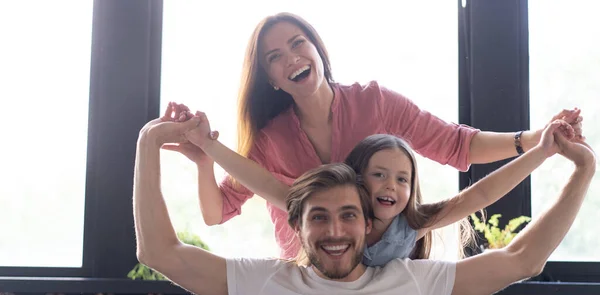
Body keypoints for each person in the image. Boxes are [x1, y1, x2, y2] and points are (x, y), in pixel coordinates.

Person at [134, 114, 595, 295]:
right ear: (296, 224)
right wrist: (149, 142)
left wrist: (582, 168)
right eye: (318, 218)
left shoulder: (411, 283)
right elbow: (160, 251)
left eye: (348, 215)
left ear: (368, 218)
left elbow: (522, 259)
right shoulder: (264, 282)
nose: (335, 231)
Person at [161, 12, 583, 259]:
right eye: (275, 57)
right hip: (310, 280)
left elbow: (459, 147)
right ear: (270, 78)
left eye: (297, 43)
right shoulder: (271, 140)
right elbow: (218, 212)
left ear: (317, 49)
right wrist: (204, 158)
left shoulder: (376, 104)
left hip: (383, 283)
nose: (291, 58)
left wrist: (536, 141)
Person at [162, 103, 576, 265]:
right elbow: (265, 182)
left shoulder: (411, 224)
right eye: (379, 174)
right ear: (359, 181)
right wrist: (205, 145)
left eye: (402, 179)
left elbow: (481, 194)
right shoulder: (333, 217)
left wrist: (541, 151)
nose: (390, 185)